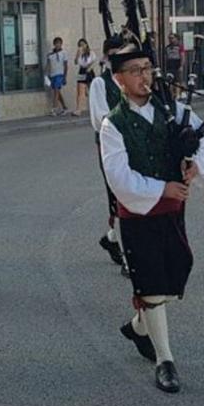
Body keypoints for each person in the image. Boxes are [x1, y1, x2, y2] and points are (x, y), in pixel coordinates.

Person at [100, 41, 204, 393]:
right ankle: (165, 360)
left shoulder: (172, 110)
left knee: (173, 273)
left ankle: (138, 327)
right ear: (119, 79)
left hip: (173, 211)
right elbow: (118, 177)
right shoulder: (113, 125)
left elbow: (203, 137)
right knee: (151, 283)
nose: (144, 77)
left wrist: (195, 165)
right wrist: (161, 188)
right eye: (135, 71)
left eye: (147, 68)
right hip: (138, 213)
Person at [88, 35, 127, 268]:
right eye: (114, 56)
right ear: (106, 56)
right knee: (119, 196)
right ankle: (128, 257)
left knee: (132, 195)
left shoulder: (131, 80)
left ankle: (112, 238)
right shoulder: (100, 84)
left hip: (135, 146)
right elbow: (99, 119)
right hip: (111, 147)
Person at [44, 36, 69, 115]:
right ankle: (64, 107)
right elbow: (48, 65)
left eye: (59, 44)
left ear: (61, 44)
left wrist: (65, 77)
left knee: (56, 91)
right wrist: (46, 74)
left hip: (60, 74)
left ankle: (54, 108)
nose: (58, 45)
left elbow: (65, 65)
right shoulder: (50, 55)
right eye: (56, 44)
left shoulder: (64, 53)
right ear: (54, 44)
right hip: (52, 75)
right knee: (57, 91)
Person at [72, 38, 95, 116]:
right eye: (80, 45)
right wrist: (78, 54)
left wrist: (89, 67)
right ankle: (78, 110)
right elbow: (75, 62)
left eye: (83, 44)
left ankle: (94, 108)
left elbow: (93, 61)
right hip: (81, 71)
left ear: (86, 44)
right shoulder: (80, 53)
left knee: (91, 90)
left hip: (89, 71)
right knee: (79, 91)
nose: (82, 46)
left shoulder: (91, 52)